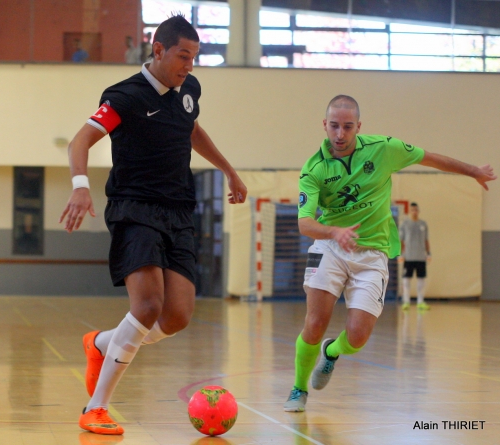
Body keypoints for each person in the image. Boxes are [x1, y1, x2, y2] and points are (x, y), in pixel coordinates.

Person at [59, 14, 247, 435]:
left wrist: (228, 169)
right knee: (146, 307)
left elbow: (190, 128)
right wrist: (80, 186)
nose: (190, 65)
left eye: (195, 57)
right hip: (134, 207)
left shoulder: (188, 90)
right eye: (183, 55)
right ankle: (96, 408)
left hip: (178, 210)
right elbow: (80, 139)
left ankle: (102, 344)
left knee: (176, 316)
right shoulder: (124, 96)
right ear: (158, 49)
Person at [283, 94, 496, 412]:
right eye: (334, 126)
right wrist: (334, 232)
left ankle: (332, 352)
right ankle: (299, 389)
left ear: (359, 126)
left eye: (347, 127)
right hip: (330, 245)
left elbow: (430, 158)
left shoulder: (383, 149)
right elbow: (305, 223)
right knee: (315, 322)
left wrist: (473, 171)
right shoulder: (313, 169)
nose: (340, 134)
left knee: (357, 337)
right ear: (324, 125)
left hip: (372, 253)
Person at [398, 202, 431, 311]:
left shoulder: (423, 224)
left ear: (418, 211)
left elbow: (426, 240)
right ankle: (406, 302)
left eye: (416, 210)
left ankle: (420, 302)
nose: (414, 212)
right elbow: (401, 240)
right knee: (406, 280)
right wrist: (401, 254)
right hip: (408, 257)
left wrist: (429, 253)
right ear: (410, 211)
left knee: (421, 280)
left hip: (421, 257)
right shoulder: (405, 224)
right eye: (412, 210)